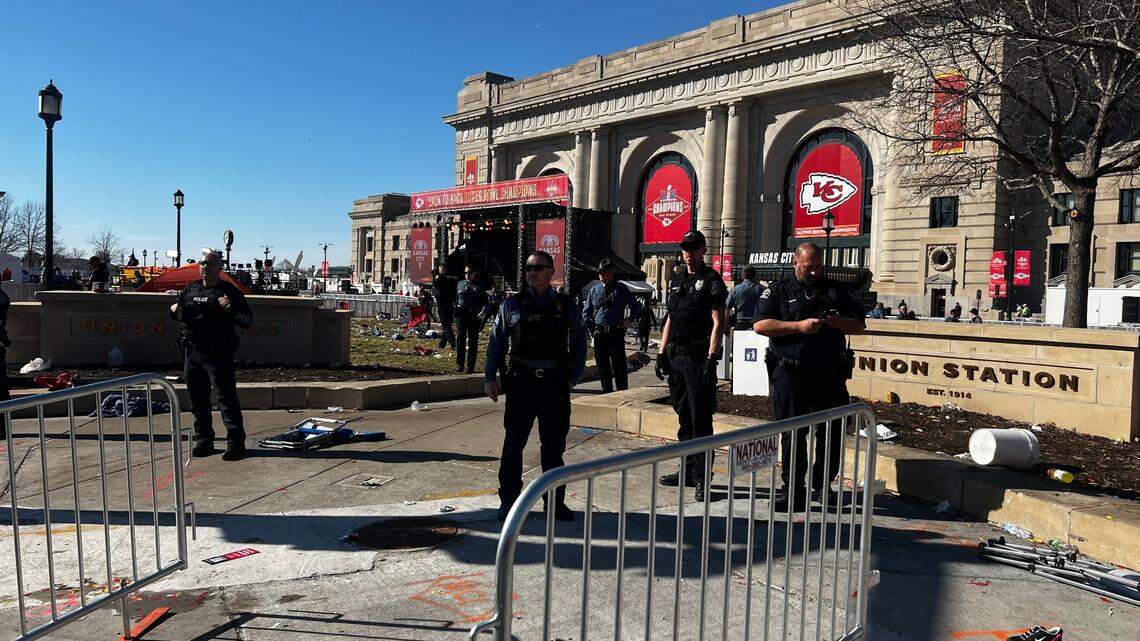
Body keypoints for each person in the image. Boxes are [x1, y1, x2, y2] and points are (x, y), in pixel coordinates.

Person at [753, 242, 866, 512]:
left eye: (817, 267)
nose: (814, 272)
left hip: (829, 375)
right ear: (796, 263)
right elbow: (760, 325)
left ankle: (822, 486)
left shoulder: (835, 291)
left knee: (831, 434)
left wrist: (842, 323)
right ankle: (793, 489)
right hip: (791, 373)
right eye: (808, 267)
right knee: (793, 435)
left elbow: (860, 324)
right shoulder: (779, 290)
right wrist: (798, 327)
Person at [485, 250, 587, 521]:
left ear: (551, 272)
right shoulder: (512, 304)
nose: (532, 272)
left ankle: (555, 503)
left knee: (554, 447)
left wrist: (572, 379)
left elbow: (579, 344)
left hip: (554, 384)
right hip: (521, 383)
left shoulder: (567, 306)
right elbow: (496, 342)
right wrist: (489, 377)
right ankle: (509, 501)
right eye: (529, 268)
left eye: (539, 267)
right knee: (513, 445)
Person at [655, 230, 727, 502]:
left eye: (694, 248)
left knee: (700, 420)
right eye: (685, 248)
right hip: (677, 358)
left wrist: (712, 357)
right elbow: (670, 319)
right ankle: (686, 471)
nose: (689, 253)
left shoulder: (712, 281)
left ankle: (701, 477)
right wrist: (662, 352)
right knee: (683, 418)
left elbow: (718, 322)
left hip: (699, 358)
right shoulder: (676, 280)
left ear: (703, 250)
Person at [169, 251, 254, 461]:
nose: (204, 267)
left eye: (210, 264)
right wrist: (173, 310)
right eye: (202, 263)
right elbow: (180, 311)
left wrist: (229, 307)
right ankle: (204, 440)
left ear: (219, 268)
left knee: (225, 398)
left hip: (218, 352)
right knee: (197, 398)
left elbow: (247, 320)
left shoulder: (229, 291)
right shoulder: (191, 288)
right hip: (192, 350)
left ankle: (236, 444)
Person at [582, 259, 642, 393]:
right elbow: (586, 311)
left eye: (605, 272)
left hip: (616, 332)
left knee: (619, 366)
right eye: (600, 272)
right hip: (600, 334)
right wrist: (590, 328)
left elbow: (635, 306)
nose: (602, 275)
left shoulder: (621, 289)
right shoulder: (594, 290)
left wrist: (629, 320)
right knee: (602, 367)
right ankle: (606, 393)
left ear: (612, 272)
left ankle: (621, 394)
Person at [455, 266, 489, 373]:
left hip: (474, 314)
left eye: (469, 273)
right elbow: (455, 298)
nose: (467, 275)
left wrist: (483, 310)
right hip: (461, 313)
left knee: (473, 340)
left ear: (474, 273)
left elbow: (485, 301)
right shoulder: (460, 284)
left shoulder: (480, 285)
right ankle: (459, 364)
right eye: (465, 273)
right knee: (460, 337)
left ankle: (470, 366)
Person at [725, 265, 764, 331]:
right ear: (755, 276)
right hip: (757, 323)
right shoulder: (762, 289)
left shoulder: (735, 289)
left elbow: (727, 308)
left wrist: (725, 325)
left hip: (740, 323)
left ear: (742, 276)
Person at [432, 264, 458, 349]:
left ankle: (446, 343)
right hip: (443, 306)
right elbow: (437, 287)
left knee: (446, 325)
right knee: (446, 325)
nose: (442, 270)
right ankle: (449, 343)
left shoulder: (445, 279)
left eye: (443, 269)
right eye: (441, 269)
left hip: (447, 305)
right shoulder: (439, 279)